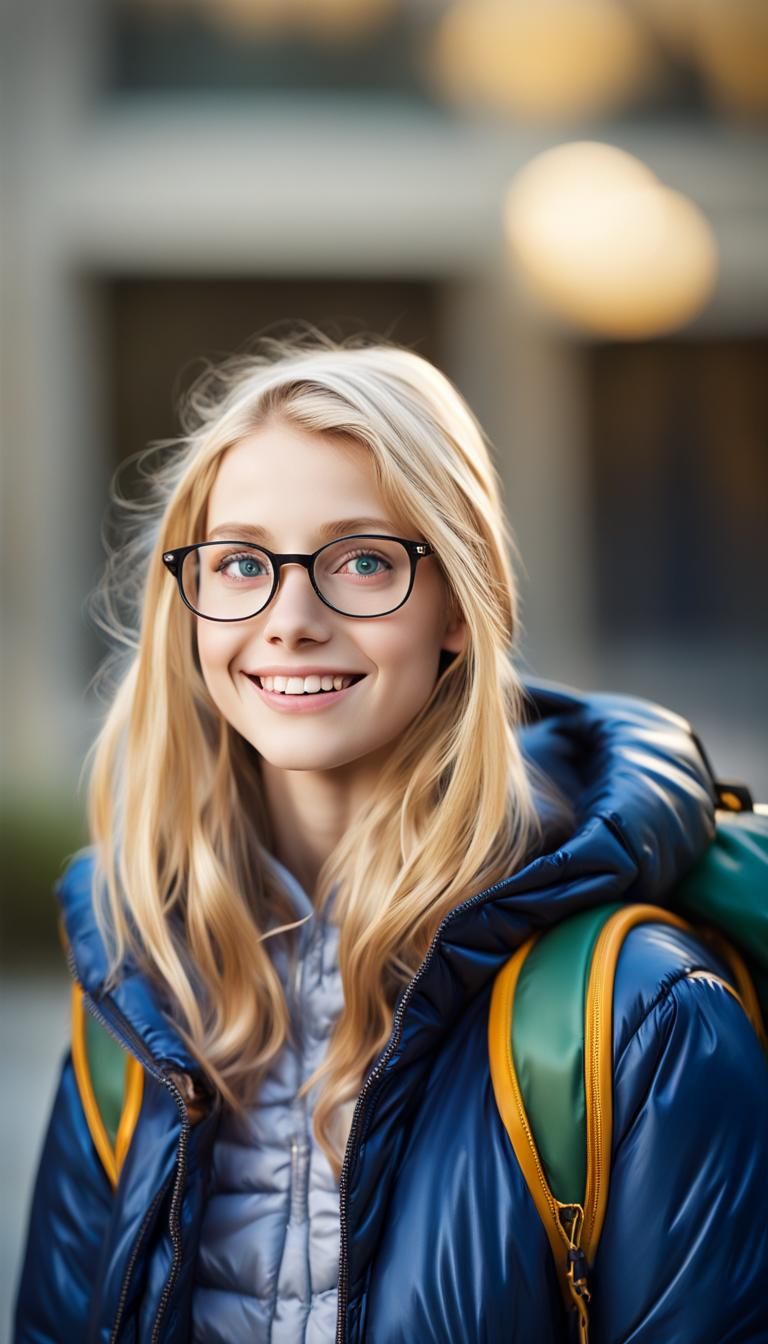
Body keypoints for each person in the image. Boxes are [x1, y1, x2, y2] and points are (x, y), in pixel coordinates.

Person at [14, 333, 768, 1344]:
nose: (288, 619)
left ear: (461, 601)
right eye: (240, 562)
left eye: (363, 560)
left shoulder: (644, 1013)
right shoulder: (135, 987)